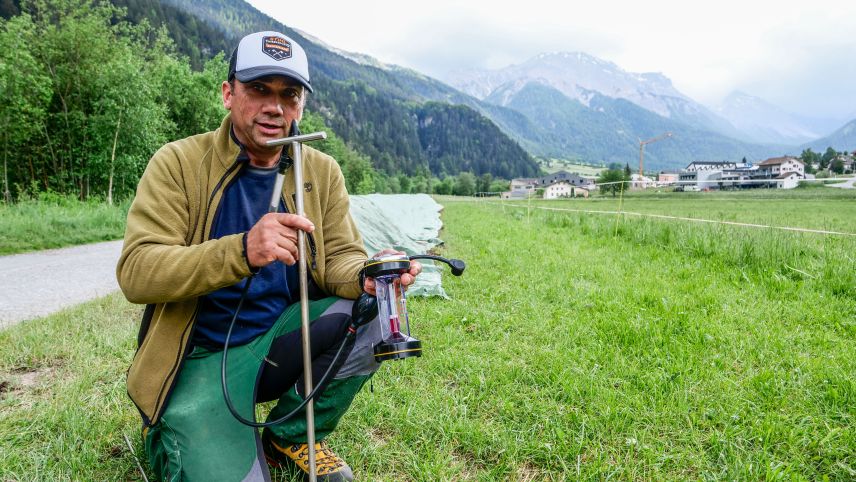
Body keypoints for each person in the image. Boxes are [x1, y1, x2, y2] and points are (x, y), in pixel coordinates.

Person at [117, 31, 421, 482]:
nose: (274, 107)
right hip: (198, 356)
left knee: (375, 311)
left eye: (289, 94)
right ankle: (177, 429)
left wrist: (368, 275)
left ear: (300, 105)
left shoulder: (320, 170)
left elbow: (339, 257)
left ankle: (288, 435)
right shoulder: (178, 163)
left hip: (276, 343)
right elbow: (137, 272)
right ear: (228, 93)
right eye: (259, 89)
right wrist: (241, 250)